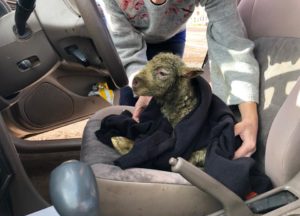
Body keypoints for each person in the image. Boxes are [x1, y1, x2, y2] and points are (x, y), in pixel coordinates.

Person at [99, 0, 259, 159]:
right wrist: (146, 89)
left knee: (169, 101)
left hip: (172, 35)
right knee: (134, 104)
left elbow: (231, 46)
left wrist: (249, 118)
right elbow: (126, 48)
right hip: (130, 33)